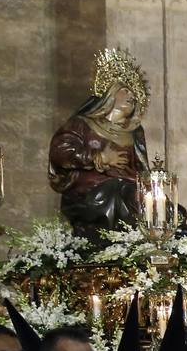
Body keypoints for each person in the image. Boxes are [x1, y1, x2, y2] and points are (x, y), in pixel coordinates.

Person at [48, 48, 154, 237]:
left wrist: (153, 185)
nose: (132, 95)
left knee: (165, 209)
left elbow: (141, 169)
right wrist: (99, 157)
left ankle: (179, 239)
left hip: (129, 188)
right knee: (122, 196)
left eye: (134, 93)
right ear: (110, 93)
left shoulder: (135, 132)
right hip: (92, 192)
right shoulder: (83, 123)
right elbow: (60, 151)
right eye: (125, 90)